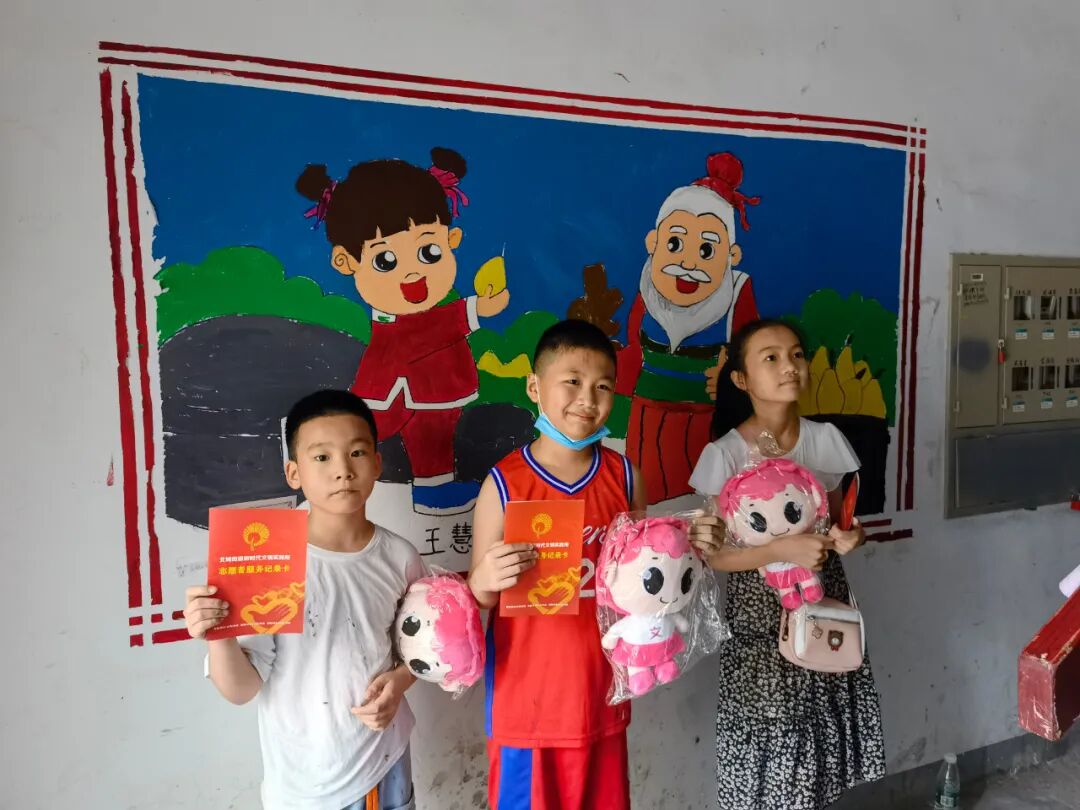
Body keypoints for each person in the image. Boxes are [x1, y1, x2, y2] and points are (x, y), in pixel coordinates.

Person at [184, 390, 425, 810]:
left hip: (382, 763)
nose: (342, 471)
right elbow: (241, 690)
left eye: (356, 453)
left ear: (377, 463)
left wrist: (402, 680)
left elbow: (425, 651)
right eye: (322, 457)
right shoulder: (267, 561)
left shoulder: (400, 556)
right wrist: (219, 636)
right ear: (293, 472)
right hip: (302, 784)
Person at [688, 319, 886, 810]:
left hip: (823, 602)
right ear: (741, 378)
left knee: (821, 737)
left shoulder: (825, 439)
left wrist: (850, 537)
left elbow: (839, 521)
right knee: (773, 736)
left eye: (797, 355)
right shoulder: (724, 454)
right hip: (760, 618)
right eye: (771, 358)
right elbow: (714, 554)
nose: (790, 366)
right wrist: (781, 551)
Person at [468, 319, 646, 810]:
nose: (587, 399)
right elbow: (480, 596)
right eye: (572, 381)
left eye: (603, 386)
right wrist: (484, 578)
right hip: (527, 707)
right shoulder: (503, 483)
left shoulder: (626, 478)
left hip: (602, 696)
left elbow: (641, 584)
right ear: (534, 387)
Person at [297, 148, 510, 516]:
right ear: (346, 261)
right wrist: (474, 309)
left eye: (429, 251)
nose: (413, 273)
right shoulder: (397, 325)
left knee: (433, 441)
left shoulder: (429, 314)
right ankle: (320, 477)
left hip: (435, 391)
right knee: (356, 438)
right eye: (386, 260)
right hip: (393, 391)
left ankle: (434, 490)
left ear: (452, 240)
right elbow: (420, 335)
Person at [617, 151, 761, 504]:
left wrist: (730, 379)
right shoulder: (649, 291)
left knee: (704, 509)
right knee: (646, 504)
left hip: (707, 424)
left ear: (731, 256)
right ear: (654, 243)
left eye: (707, 250)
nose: (688, 262)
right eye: (675, 243)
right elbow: (634, 349)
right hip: (647, 421)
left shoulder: (736, 294)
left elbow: (753, 358)